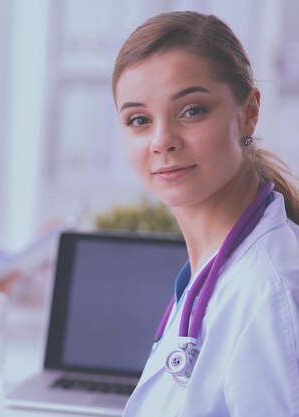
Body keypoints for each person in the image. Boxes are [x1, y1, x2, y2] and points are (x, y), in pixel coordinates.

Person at [111, 11, 299, 416]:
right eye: (138, 120)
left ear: (248, 112)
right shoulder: (213, 273)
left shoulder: (269, 292)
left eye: (191, 110)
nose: (162, 141)